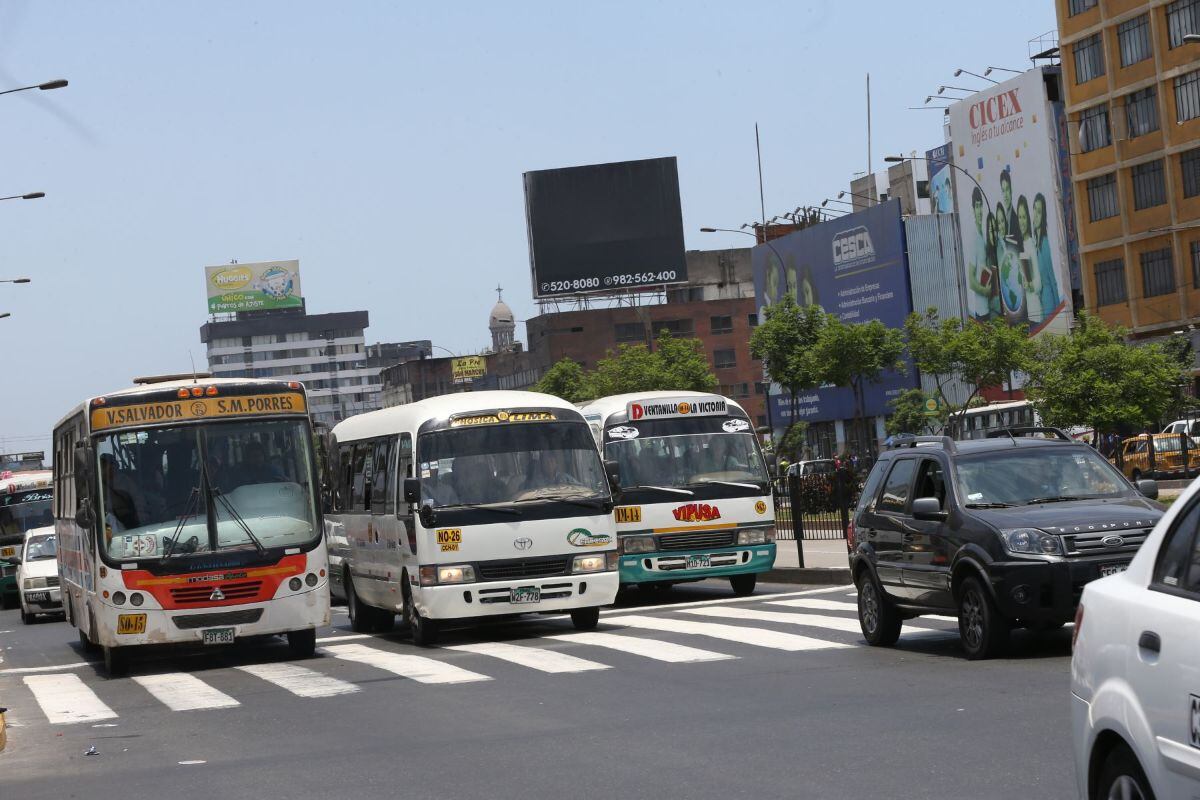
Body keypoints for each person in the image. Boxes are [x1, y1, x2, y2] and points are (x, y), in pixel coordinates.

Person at [1032, 194, 1061, 318]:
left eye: (1039, 211)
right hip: (1041, 302)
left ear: (1043, 215)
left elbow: (1052, 279)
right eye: (1035, 209)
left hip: (1049, 302)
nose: (1036, 215)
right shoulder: (1036, 243)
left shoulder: (1044, 243)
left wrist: (1059, 312)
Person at [967, 187, 992, 321]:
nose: (980, 210)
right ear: (973, 209)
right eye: (977, 206)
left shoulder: (982, 235)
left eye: (981, 205)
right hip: (981, 312)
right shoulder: (974, 238)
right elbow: (971, 280)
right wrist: (985, 291)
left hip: (988, 307)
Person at [1016, 196, 1042, 324]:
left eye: (1024, 217)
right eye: (1019, 217)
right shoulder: (1020, 245)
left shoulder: (1031, 244)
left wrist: (1029, 285)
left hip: (1035, 314)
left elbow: (1038, 283)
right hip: (1024, 314)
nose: (1022, 221)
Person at [100, 454, 139, 533]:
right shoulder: (97, 485)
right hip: (104, 525)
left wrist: (141, 519)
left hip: (127, 522)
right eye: (102, 465)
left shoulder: (125, 481)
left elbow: (138, 500)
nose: (106, 468)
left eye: (107, 465)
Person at [999, 168, 1020, 241]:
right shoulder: (1005, 218)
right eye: (1003, 190)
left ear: (1011, 190)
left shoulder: (1015, 220)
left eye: (1007, 189)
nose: (1005, 195)